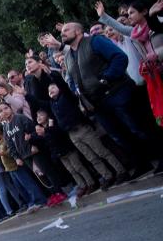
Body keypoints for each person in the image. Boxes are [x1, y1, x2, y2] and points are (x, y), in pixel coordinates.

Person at [52, 22, 162, 173]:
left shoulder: (95, 41)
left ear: (78, 31)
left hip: (117, 92)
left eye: (66, 30)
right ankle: (142, 163)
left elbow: (119, 57)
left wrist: (106, 78)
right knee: (119, 135)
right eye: (62, 31)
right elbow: (74, 81)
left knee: (138, 127)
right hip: (97, 104)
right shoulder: (69, 56)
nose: (62, 33)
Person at [47, 82, 128, 189]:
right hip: (72, 134)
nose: (51, 90)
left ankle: (121, 171)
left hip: (82, 129)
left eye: (53, 87)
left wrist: (52, 76)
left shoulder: (66, 97)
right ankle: (107, 176)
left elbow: (65, 88)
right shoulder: (52, 104)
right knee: (91, 158)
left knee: (102, 152)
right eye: (49, 90)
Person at [0, 102, 50, 208]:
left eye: (6, 108)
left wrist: (33, 144)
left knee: (45, 172)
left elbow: (33, 131)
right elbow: (10, 145)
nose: (4, 111)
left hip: (33, 150)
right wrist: (16, 157)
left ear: (11, 108)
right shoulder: (6, 127)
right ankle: (46, 198)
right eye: (1, 111)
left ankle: (57, 193)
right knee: (38, 177)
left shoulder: (20, 118)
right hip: (24, 156)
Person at [33, 110, 95, 197]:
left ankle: (91, 183)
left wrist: (47, 130)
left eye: (41, 115)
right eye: (37, 116)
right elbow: (42, 141)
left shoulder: (52, 123)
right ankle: (82, 186)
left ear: (47, 116)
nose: (38, 118)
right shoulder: (40, 130)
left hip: (67, 149)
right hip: (58, 153)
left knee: (79, 167)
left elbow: (57, 135)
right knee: (72, 171)